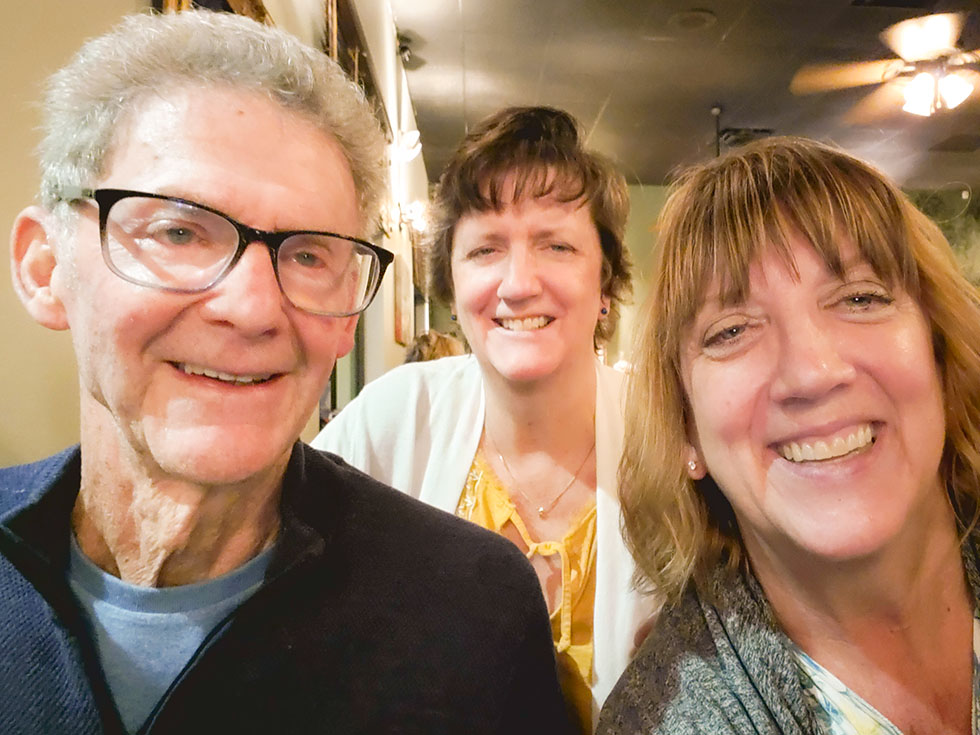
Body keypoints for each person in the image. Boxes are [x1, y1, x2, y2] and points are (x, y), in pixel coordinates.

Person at [1, 11, 572, 735]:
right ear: (45, 268)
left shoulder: (473, 609)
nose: (251, 307)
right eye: (179, 230)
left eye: (308, 254)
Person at [597, 136, 980, 734]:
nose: (812, 371)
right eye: (730, 331)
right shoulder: (664, 719)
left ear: (940, 354)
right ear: (686, 429)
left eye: (859, 297)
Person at [314, 105, 654, 731]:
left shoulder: (665, 435)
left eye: (556, 244)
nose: (519, 283)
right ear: (451, 278)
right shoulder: (399, 414)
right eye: (485, 249)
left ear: (604, 282)